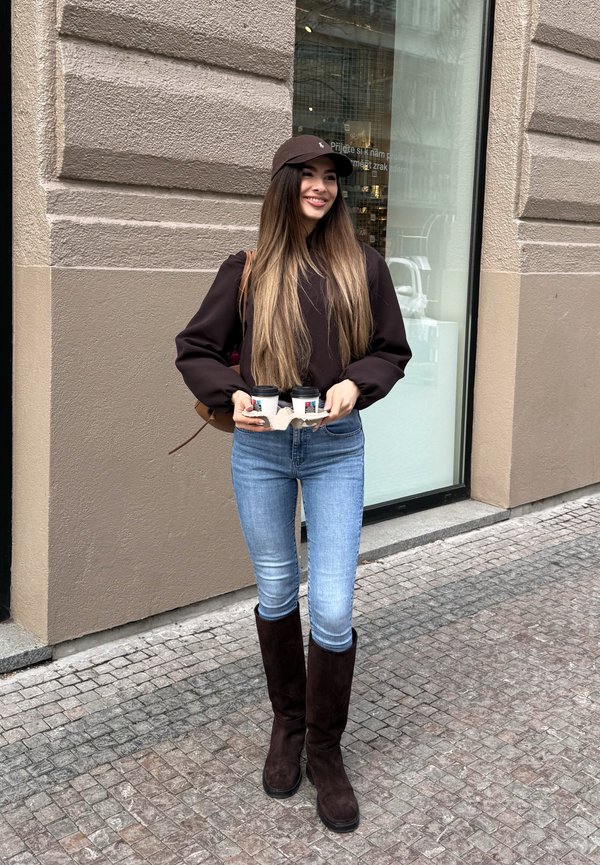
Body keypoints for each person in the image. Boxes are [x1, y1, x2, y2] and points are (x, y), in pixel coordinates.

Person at [175, 135, 411, 833]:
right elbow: (195, 348)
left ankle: (325, 750)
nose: (321, 185)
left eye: (331, 176)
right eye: (306, 173)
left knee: (332, 610)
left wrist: (356, 383)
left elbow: (391, 350)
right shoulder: (246, 270)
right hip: (262, 449)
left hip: (335, 447)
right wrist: (230, 394)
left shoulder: (363, 267)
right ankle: (288, 724)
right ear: (282, 184)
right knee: (277, 590)